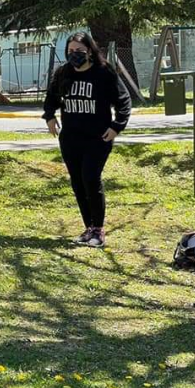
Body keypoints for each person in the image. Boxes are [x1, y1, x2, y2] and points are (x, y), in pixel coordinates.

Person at [43, 32, 132, 248]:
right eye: (71, 51)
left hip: (98, 138)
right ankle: (88, 227)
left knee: (91, 178)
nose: (75, 55)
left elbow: (124, 100)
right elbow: (51, 98)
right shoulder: (63, 73)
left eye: (80, 51)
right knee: (78, 182)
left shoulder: (104, 72)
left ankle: (99, 229)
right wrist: (50, 117)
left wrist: (117, 126)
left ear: (90, 51)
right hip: (71, 139)